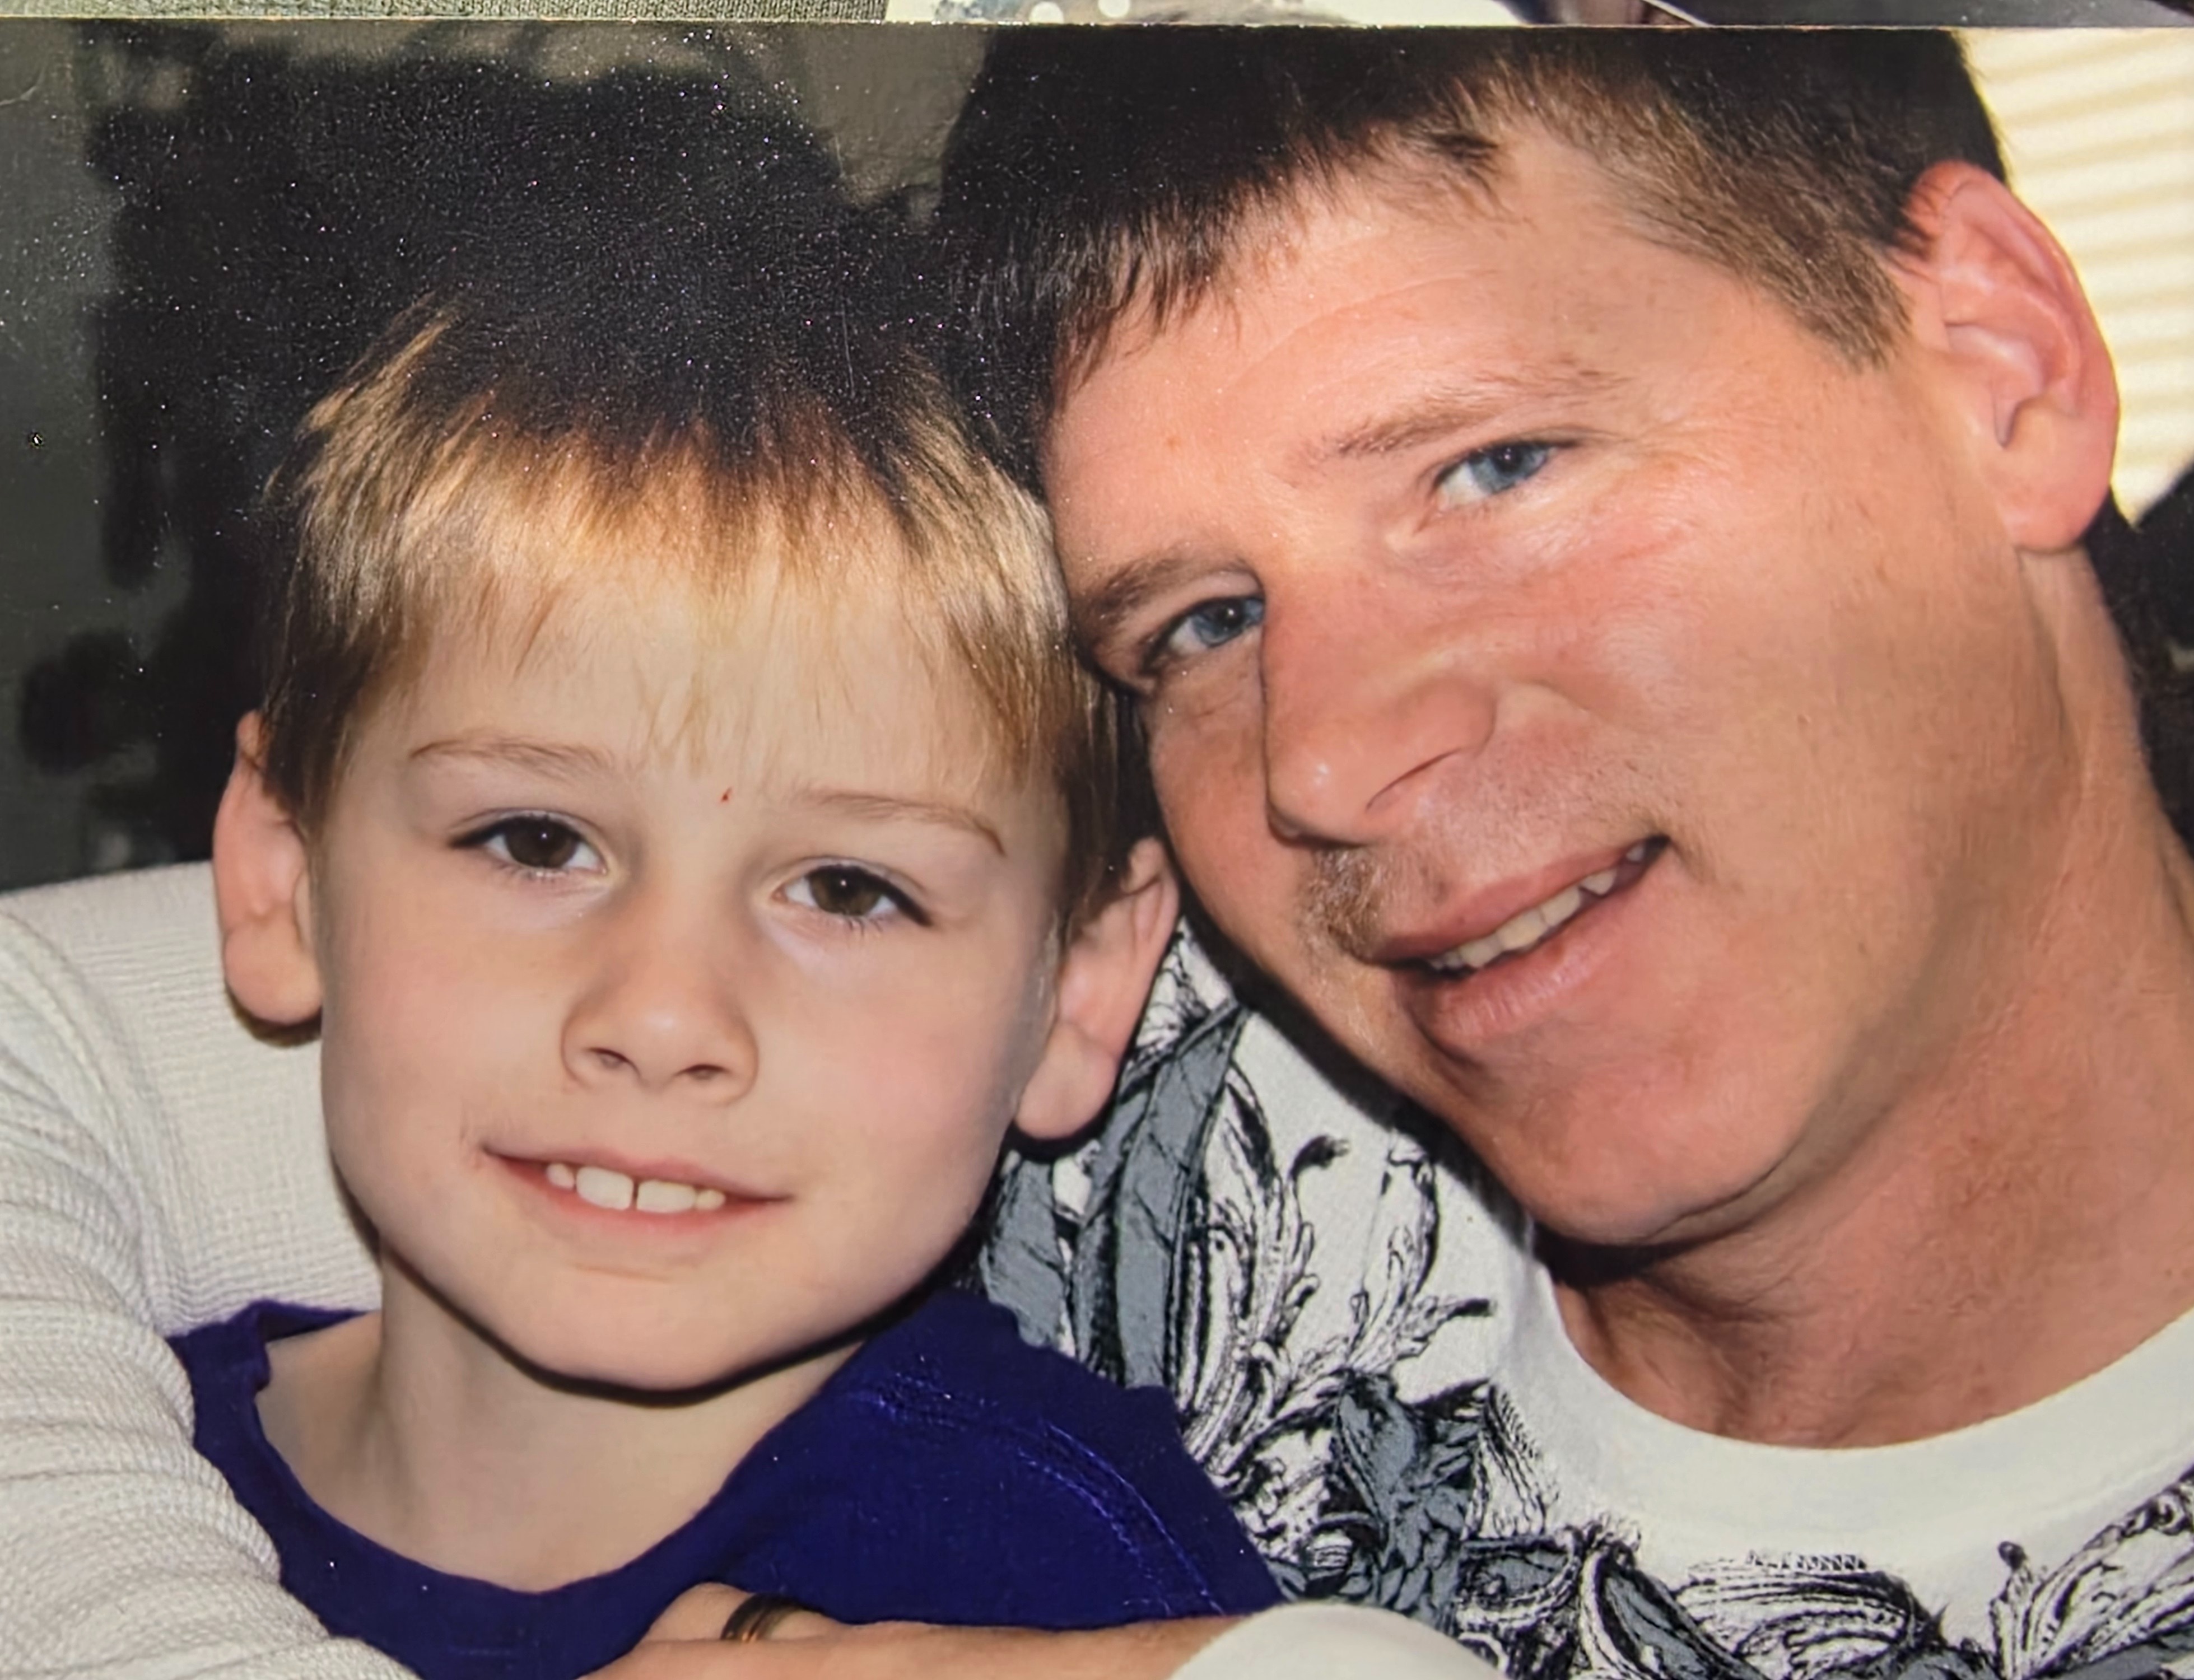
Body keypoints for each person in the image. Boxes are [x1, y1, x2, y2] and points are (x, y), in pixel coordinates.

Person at [6, 26, 2194, 1680]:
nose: (1325, 761)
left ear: (2001, 366)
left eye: (1492, 469)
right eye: (1197, 624)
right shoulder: (1181, 1039)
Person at [2, 97, 1287, 1680]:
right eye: (538, 841)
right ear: (279, 875)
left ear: (1080, 986)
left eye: (849, 887)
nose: (666, 1017)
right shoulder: (108, 1458)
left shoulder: (1062, 1589)